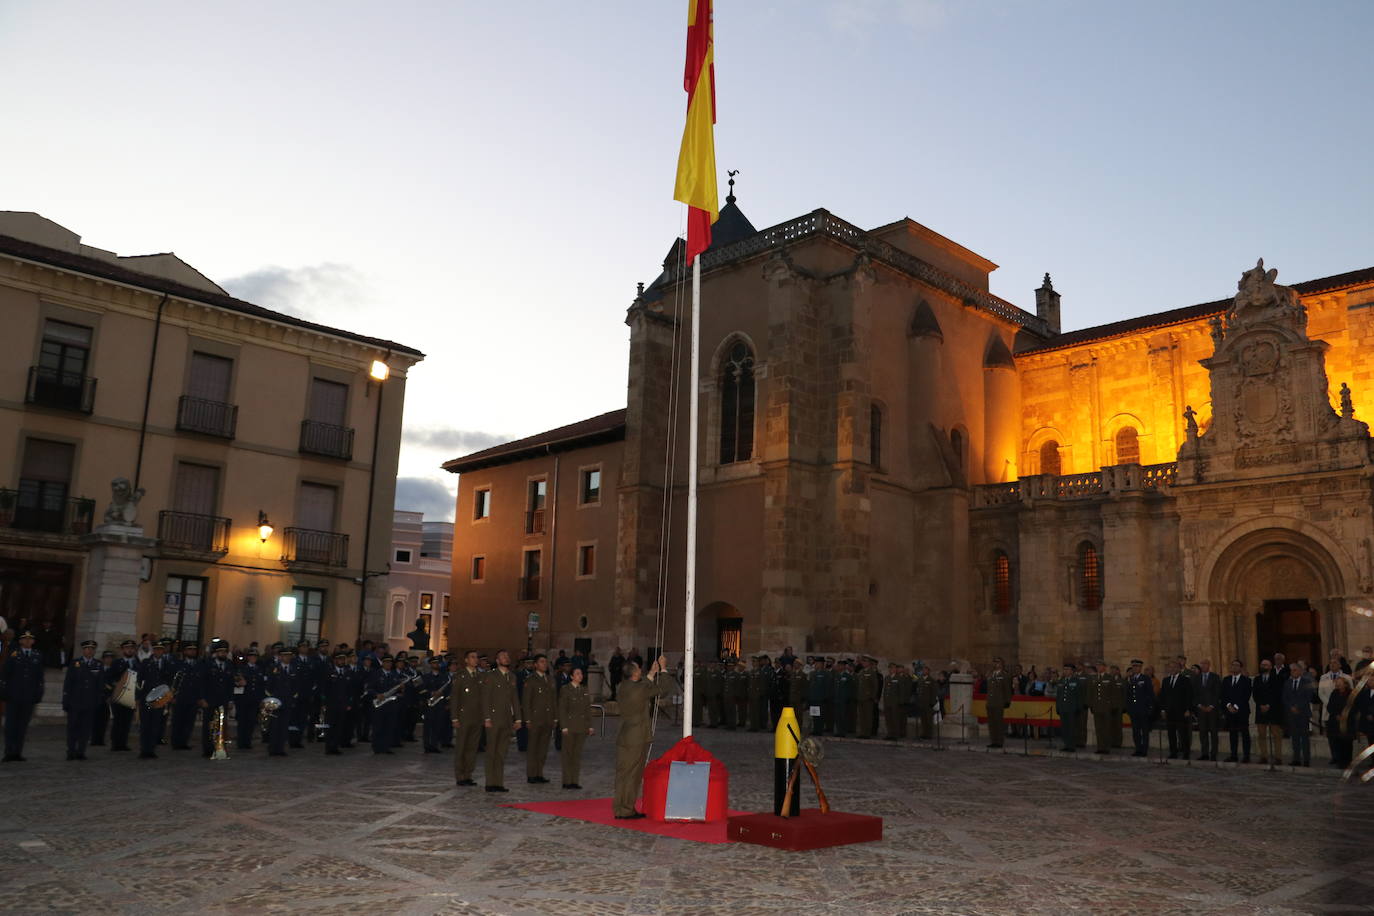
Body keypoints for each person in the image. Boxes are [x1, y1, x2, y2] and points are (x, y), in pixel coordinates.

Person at [613, 655, 670, 819]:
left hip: (625, 736)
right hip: (636, 738)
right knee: (633, 775)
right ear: (635, 674)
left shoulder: (623, 686)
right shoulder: (639, 690)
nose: (641, 670)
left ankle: (620, 808)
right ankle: (626, 809)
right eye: (639, 669)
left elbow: (642, 685)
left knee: (623, 774)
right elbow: (663, 689)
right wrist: (663, 669)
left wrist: (651, 673)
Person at [2, 631, 45, 762]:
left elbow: (39, 677)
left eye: (30, 639)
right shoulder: (13, 654)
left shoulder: (37, 655)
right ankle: (9, 752)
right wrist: (4, 693)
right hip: (13, 696)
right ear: (20, 641)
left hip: (28, 697)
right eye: (25, 639)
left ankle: (17, 752)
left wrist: (38, 693)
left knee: (22, 726)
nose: (27, 641)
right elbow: (5, 675)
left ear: (33, 641)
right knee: (10, 726)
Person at [482, 649, 520, 792]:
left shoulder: (512, 677)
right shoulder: (491, 676)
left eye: (507, 656)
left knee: (502, 752)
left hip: (506, 719)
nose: (506, 658)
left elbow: (514, 699)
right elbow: (486, 698)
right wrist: (487, 717)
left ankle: (498, 782)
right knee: (492, 751)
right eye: (503, 656)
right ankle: (490, 783)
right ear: (497, 661)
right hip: (493, 718)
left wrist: (518, 718)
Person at [63, 640, 104, 761]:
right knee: (73, 728)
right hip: (75, 702)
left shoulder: (98, 664)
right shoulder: (75, 663)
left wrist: (98, 701)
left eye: (92, 649)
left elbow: (100, 685)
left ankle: (81, 751)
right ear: (83, 650)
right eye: (87, 648)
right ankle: (71, 751)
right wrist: (66, 701)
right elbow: (68, 683)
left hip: (90, 703)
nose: (90, 651)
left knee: (85, 729)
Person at [450, 650, 485, 786]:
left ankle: (468, 774)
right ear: (466, 660)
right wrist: (454, 718)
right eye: (472, 657)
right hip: (463, 717)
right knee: (462, 747)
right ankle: (460, 775)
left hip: (477, 717)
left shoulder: (481, 676)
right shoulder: (460, 676)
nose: (475, 659)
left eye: (476, 657)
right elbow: (455, 698)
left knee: (472, 747)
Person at [135, 640, 174, 759]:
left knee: (155, 724)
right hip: (146, 698)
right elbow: (138, 681)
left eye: (160, 650)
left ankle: (151, 749)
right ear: (153, 650)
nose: (158, 652)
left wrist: (169, 696)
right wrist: (138, 697)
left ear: (163, 651)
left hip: (160, 699)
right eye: (156, 649)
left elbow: (170, 682)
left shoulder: (167, 664)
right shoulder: (146, 663)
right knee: (145, 725)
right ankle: (144, 749)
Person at [522, 653, 557, 784]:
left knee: (543, 748)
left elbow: (554, 700)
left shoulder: (550, 679)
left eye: (545, 662)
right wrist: (528, 719)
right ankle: (531, 774)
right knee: (533, 748)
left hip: (547, 718)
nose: (544, 664)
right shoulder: (531, 680)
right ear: (535, 665)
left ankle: (539, 773)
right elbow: (526, 701)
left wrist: (555, 717)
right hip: (535, 719)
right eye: (542, 662)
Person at [559, 665, 594, 789]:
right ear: (571, 676)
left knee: (577, 755)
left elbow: (587, 709)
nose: (580, 676)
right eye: (577, 673)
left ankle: (574, 781)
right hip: (570, 726)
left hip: (581, 727)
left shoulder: (584, 690)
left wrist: (590, 726)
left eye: (581, 673)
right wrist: (563, 726)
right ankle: (567, 781)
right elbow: (562, 709)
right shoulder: (565, 689)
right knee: (568, 754)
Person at [201, 639, 236, 757]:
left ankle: (220, 747)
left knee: (222, 725)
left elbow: (231, 684)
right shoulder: (208, 664)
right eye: (220, 652)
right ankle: (208, 749)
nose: (223, 654)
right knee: (209, 724)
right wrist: (202, 698)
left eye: (225, 652)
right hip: (210, 699)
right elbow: (203, 683)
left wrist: (231, 700)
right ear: (216, 652)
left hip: (223, 700)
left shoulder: (229, 665)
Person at [169, 642, 204, 750]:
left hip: (193, 698)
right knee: (178, 721)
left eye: (194, 650)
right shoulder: (178, 664)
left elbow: (201, 683)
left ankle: (184, 742)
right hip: (180, 697)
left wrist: (200, 697)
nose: (192, 651)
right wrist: (172, 696)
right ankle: (176, 742)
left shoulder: (199, 665)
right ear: (184, 651)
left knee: (189, 721)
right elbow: (172, 681)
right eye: (189, 649)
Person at [107, 640, 139, 752]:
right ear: (122, 650)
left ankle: (123, 743)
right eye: (127, 648)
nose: (130, 650)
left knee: (127, 721)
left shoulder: (137, 663)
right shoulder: (116, 663)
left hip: (131, 696)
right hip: (119, 695)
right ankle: (115, 744)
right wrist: (116, 685)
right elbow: (109, 678)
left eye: (132, 648)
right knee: (118, 721)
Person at [1159, 660, 1194, 760]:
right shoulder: (1165, 680)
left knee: (1183, 733)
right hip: (1169, 712)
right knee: (1171, 733)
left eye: (1174, 667)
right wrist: (1163, 710)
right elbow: (1163, 696)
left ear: (1179, 668)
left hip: (1181, 711)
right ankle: (1173, 752)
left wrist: (1188, 709)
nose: (1172, 669)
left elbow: (1189, 695)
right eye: (1170, 667)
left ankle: (1186, 753)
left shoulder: (1185, 680)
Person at [1251, 658, 1283, 765]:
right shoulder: (1257, 679)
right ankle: (1263, 756)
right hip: (1260, 710)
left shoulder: (1276, 678)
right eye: (1262, 664)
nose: (1263, 666)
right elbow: (1255, 694)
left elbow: (1277, 694)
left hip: (1273, 710)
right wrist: (1261, 705)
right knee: (1261, 735)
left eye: (1266, 665)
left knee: (1276, 735)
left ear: (1270, 667)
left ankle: (1278, 757)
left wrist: (1269, 705)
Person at [264, 646, 295, 756]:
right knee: (274, 726)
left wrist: (293, 699)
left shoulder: (293, 669)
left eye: (289, 655)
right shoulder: (274, 668)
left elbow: (296, 686)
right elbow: (268, 686)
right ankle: (273, 748)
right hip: (276, 702)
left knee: (284, 726)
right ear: (280, 657)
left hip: (287, 701)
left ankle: (280, 748)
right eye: (285, 655)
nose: (287, 658)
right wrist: (271, 700)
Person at [1220, 659, 1252, 763]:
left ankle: (1246, 756)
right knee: (1232, 734)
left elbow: (1246, 695)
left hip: (1242, 711)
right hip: (1229, 711)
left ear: (1241, 668)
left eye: (1237, 665)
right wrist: (1228, 705)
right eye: (1233, 665)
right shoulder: (1226, 680)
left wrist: (1236, 706)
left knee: (1245, 734)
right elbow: (1223, 695)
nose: (1234, 667)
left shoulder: (1246, 680)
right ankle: (1233, 755)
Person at [1282, 662, 1314, 767]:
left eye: (1295, 670)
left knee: (1304, 738)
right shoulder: (1287, 683)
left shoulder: (1307, 682)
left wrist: (1298, 707)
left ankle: (1306, 759)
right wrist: (1291, 707)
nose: (1293, 672)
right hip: (1291, 714)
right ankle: (1296, 759)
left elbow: (1308, 697)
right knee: (1294, 738)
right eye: (1291, 670)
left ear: (1300, 671)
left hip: (1303, 714)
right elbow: (1284, 698)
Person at [233, 648, 266, 749]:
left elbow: (261, 686)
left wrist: (261, 699)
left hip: (254, 699)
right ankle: (241, 742)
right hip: (243, 699)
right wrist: (239, 683)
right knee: (242, 721)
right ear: (248, 657)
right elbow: (236, 682)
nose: (253, 658)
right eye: (251, 656)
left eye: (255, 656)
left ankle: (247, 742)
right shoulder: (242, 668)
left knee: (251, 722)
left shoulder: (260, 669)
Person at [1125, 660, 1155, 757]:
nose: (1135, 668)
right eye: (1133, 666)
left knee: (1144, 731)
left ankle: (1144, 750)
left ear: (1140, 668)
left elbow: (1150, 694)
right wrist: (1128, 708)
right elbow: (1128, 695)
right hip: (1133, 710)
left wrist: (1150, 707)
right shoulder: (1130, 679)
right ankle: (1138, 749)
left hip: (1143, 709)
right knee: (1136, 731)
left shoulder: (1145, 678)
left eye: (1137, 666)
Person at [1326, 677, 1356, 768]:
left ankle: (1347, 762)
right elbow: (1330, 706)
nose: (1337, 684)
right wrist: (1336, 714)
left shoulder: (1351, 693)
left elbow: (1354, 707)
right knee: (1337, 742)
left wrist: (1345, 716)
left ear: (1345, 684)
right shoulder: (1334, 693)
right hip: (1335, 722)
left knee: (1347, 743)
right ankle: (1340, 762)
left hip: (1347, 723)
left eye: (1339, 682)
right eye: (1337, 682)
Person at [1055, 662, 1085, 752]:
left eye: (1067, 669)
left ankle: (1071, 745)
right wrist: (1058, 707)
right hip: (1063, 708)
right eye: (1064, 669)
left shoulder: (1076, 681)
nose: (1065, 671)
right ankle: (1066, 744)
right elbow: (1059, 696)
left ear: (1072, 671)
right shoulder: (1061, 681)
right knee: (1064, 727)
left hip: (1072, 708)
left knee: (1072, 727)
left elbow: (1079, 696)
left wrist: (1079, 708)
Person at [985, 657, 1012, 749]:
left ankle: (999, 741)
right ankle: (993, 741)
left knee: (998, 722)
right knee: (991, 723)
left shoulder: (1004, 675)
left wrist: (1007, 701)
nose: (995, 664)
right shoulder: (990, 674)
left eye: (997, 662)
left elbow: (1007, 689)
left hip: (999, 702)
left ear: (1002, 664)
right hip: (990, 702)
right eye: (994, 662)